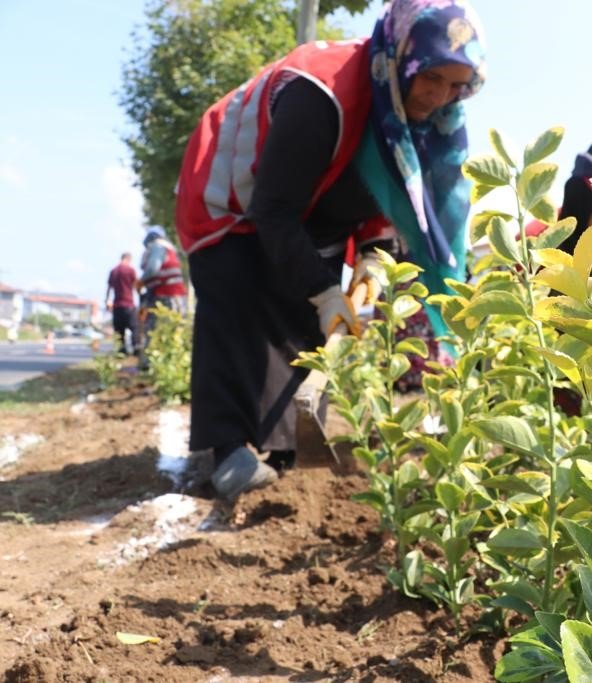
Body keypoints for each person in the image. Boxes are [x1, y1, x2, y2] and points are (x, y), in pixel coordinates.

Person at [174, 0, 486, 500]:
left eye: (455, 85)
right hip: (232, 194)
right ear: (403, 56)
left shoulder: (411, 115)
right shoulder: (323, 94)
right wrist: (324, 291)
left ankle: (280, 451)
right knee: (238, 299)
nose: (440, 95)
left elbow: (386, 186)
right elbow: (274, 209)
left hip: (307, 201)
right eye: (430, 76)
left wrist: (372, 252)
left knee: (304, 321)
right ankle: (227, 448)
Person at [136, 227, 188, 370]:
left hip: (166, 296)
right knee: (173, 330)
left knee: (154, 329)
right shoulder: (169, 248)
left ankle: (149, 364)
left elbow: (153, 268)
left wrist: (141, 281)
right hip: (172, 296)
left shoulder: (157, 247)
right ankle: (170, 364)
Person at [105, 252, 138, 355]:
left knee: (119, 330)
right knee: (134, 327)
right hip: (129, 304)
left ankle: (121, 350)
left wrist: (107, 301)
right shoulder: (130, 270)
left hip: (117, 304)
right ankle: (136, 348)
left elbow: (109, 289)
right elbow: (136, 285)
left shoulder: (114, 271)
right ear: (129, 259)